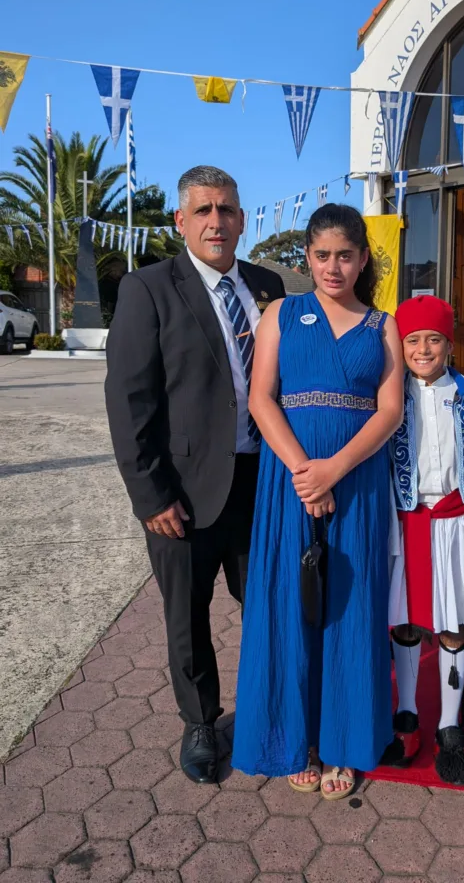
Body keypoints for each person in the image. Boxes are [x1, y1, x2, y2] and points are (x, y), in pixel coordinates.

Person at [105, 165, 285, 784]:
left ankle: (268, 707)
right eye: (204, 211)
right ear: (181, 221)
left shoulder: (268, 285)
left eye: (226, 209)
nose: (216, 221)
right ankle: (201, 722)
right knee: (187, 615)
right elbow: (130, 400)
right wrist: (150, 494)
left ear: (242, 218)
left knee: (267, 604)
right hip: (183, 491)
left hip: (262, 485)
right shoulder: (148, 288)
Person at [231, 203, 403, 800]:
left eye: (345, 256)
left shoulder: (383, 325)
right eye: (323, 255)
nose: (333, 267)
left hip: (357, 483)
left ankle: (342, 745)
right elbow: (261, 399)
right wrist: (307, 474)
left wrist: (335, 469)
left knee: (350, 609)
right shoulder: (280, 313)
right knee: (288, 602)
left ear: (363, 259)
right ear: (308, 256)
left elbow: (390, 411)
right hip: (289, 483)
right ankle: (293, 740)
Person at [380, 296, 464, 786]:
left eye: (434, 340)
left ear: (450, 345)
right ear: (400, 346)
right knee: (406, 623)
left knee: (454, 625)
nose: (423, 349)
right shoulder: (388, 396)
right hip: (407, 521)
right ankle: (407, 716)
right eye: (413, 340)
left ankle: (450, 728)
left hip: (457, 523)